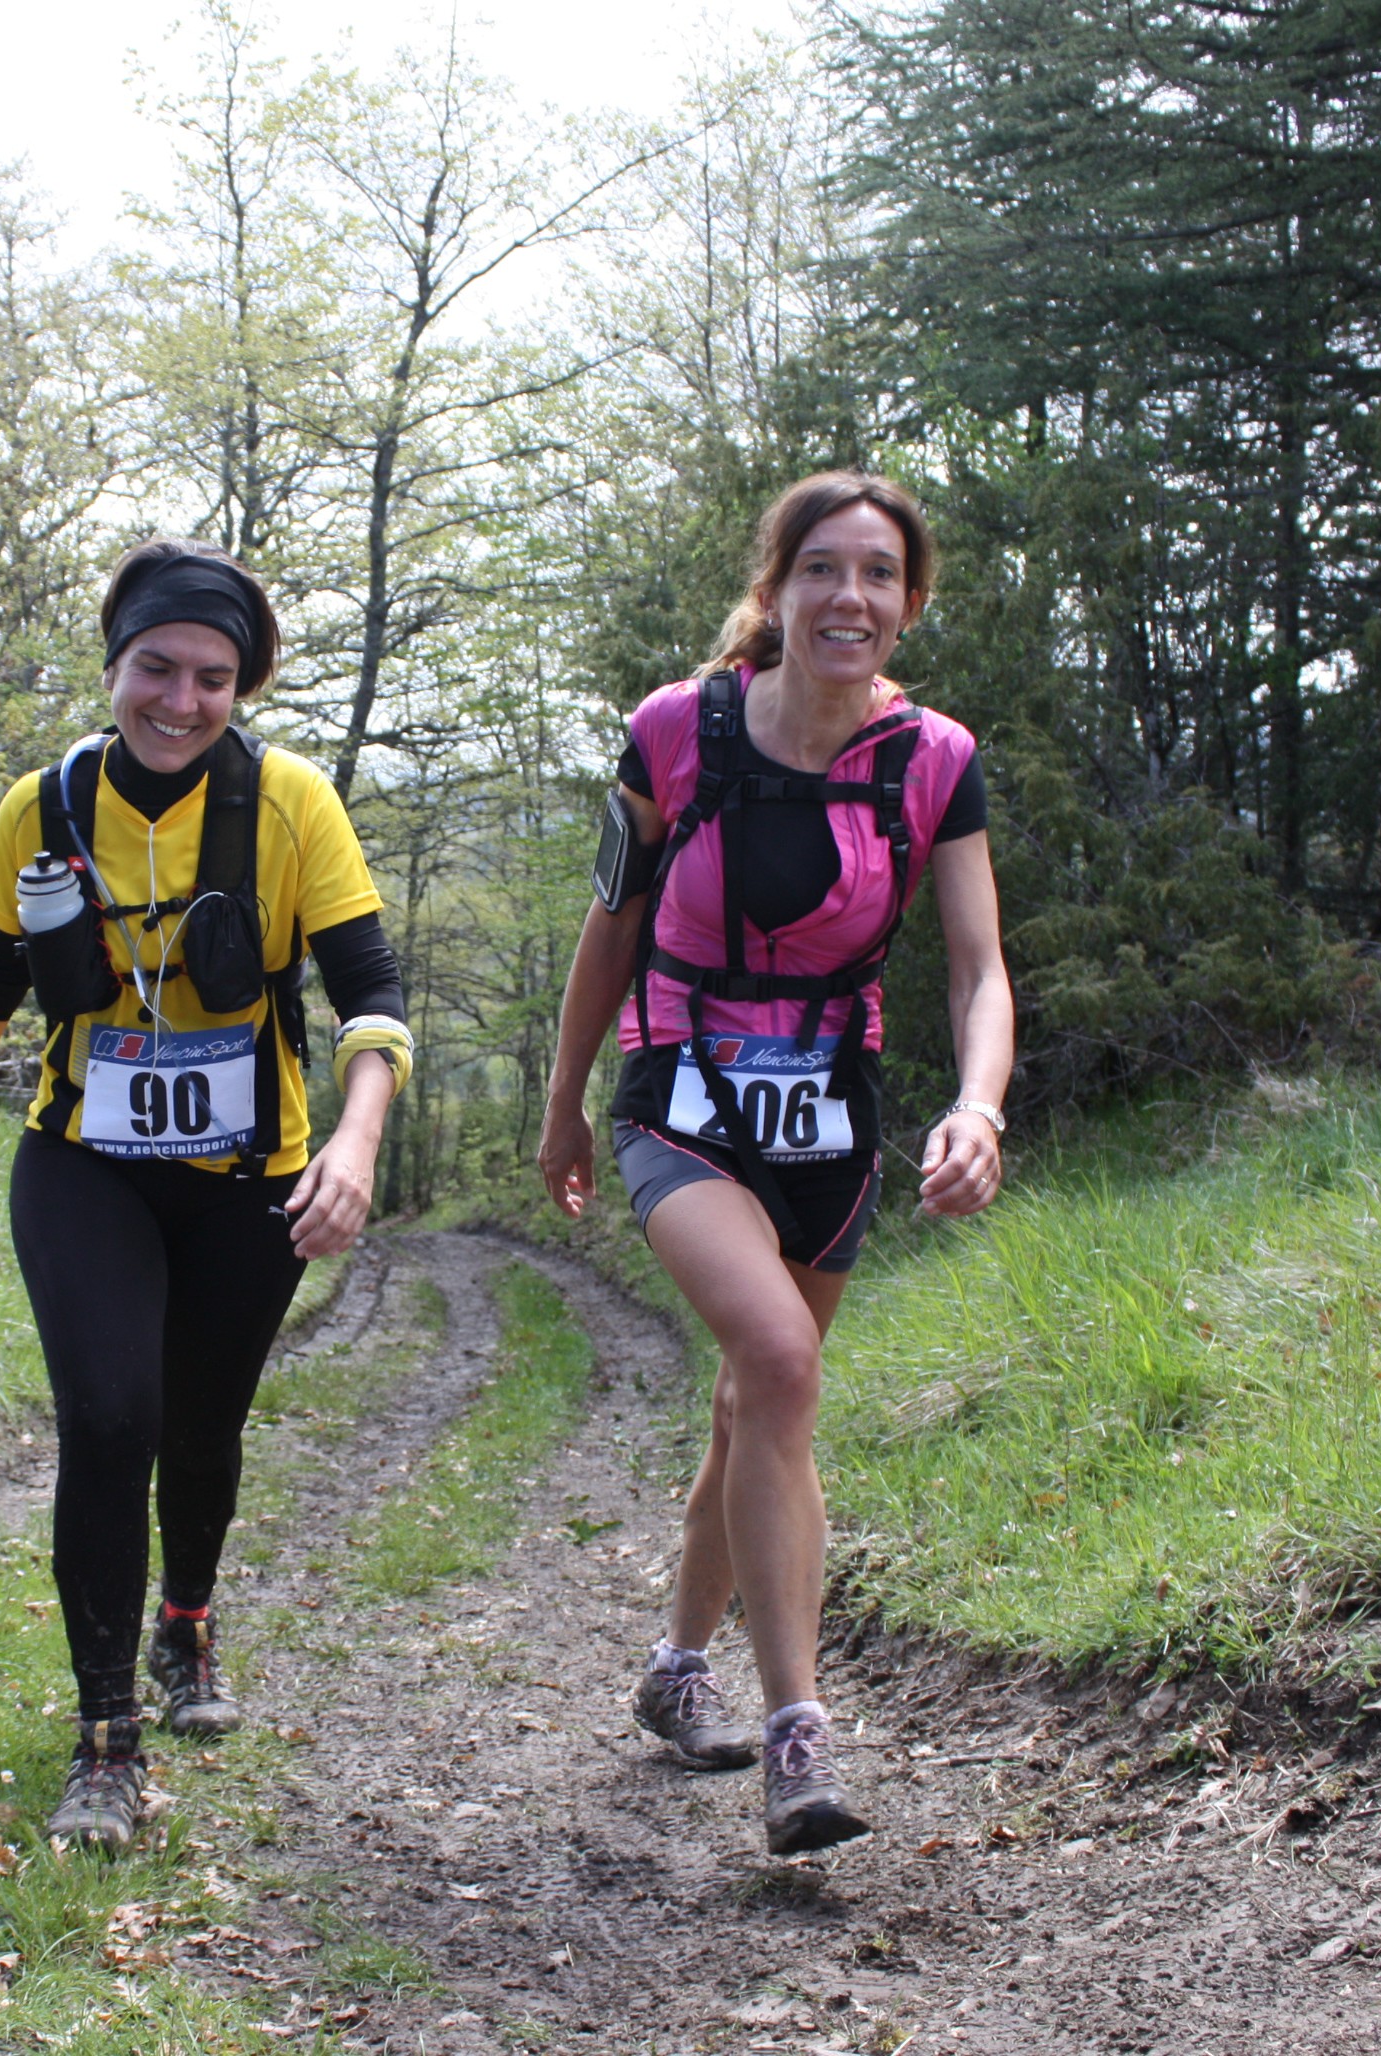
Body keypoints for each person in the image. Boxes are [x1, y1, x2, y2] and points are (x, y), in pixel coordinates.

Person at [0, 538, 412, 1855]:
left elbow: (373, 995)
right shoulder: (46, 804)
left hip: (252, 1179)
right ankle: (104, 1740)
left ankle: (187, 1615)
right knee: (110, 1415)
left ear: (242, 687)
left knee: (198, 1426)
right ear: (115, 664)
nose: (179, 701)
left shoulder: (293, 804)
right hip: (82, 1164)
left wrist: (353, 1147)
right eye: (156, 669)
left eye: (212, 677)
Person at [536, 472, 1013, 1856]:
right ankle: (798, 1736)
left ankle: (678, 1671)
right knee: (779, 1360)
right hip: (677, 1088)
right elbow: (607, 932)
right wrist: (566, 1106)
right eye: (820, 569)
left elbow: (982, 971)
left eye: (877, 574)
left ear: (908, 605)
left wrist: (977, 1105)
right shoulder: (674, 733)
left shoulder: (935, 761)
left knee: (757, 1405)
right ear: (777, 590)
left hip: (830, 1114)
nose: (846, 596)